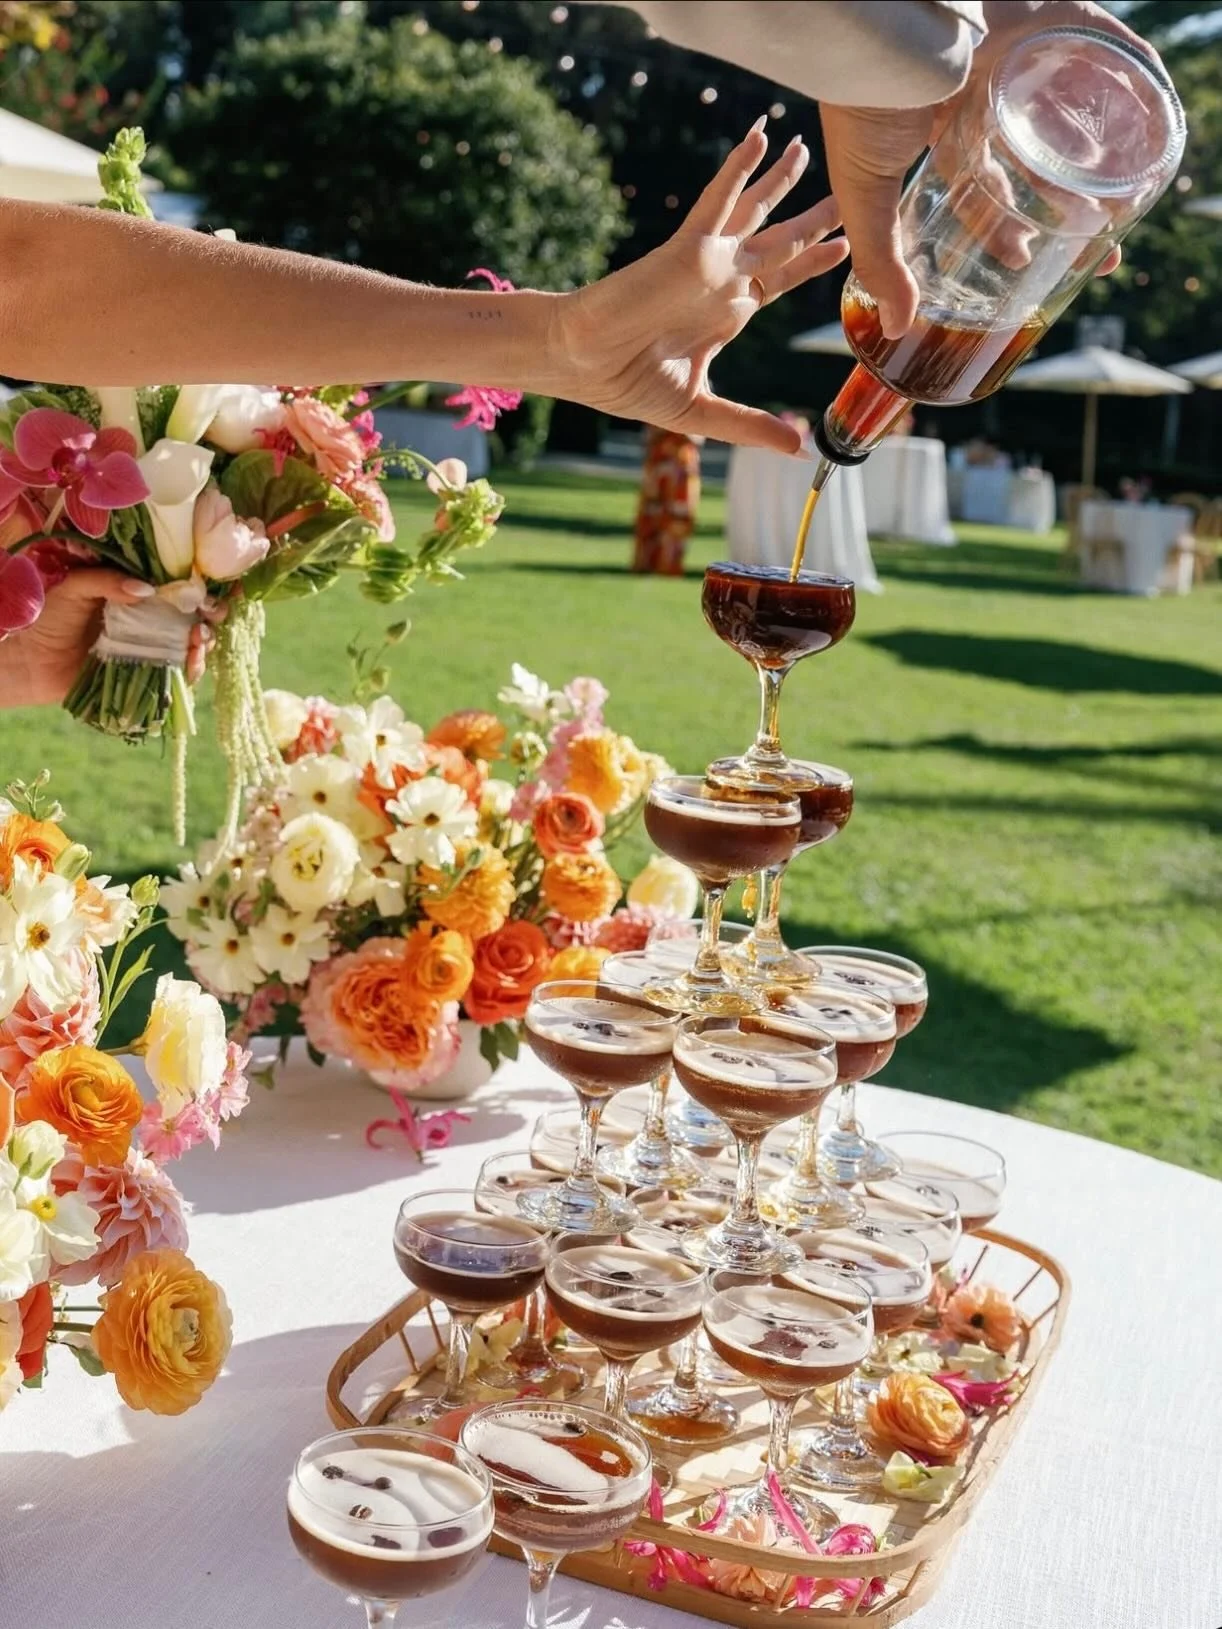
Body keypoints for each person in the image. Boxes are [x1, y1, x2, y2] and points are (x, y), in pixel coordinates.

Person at [632, 427, 703, 575]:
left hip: (682, 459)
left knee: (677, 513)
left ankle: (669, 563)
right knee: (652, 509)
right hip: (660, 454)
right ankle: (647, 561)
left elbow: (698, 433)